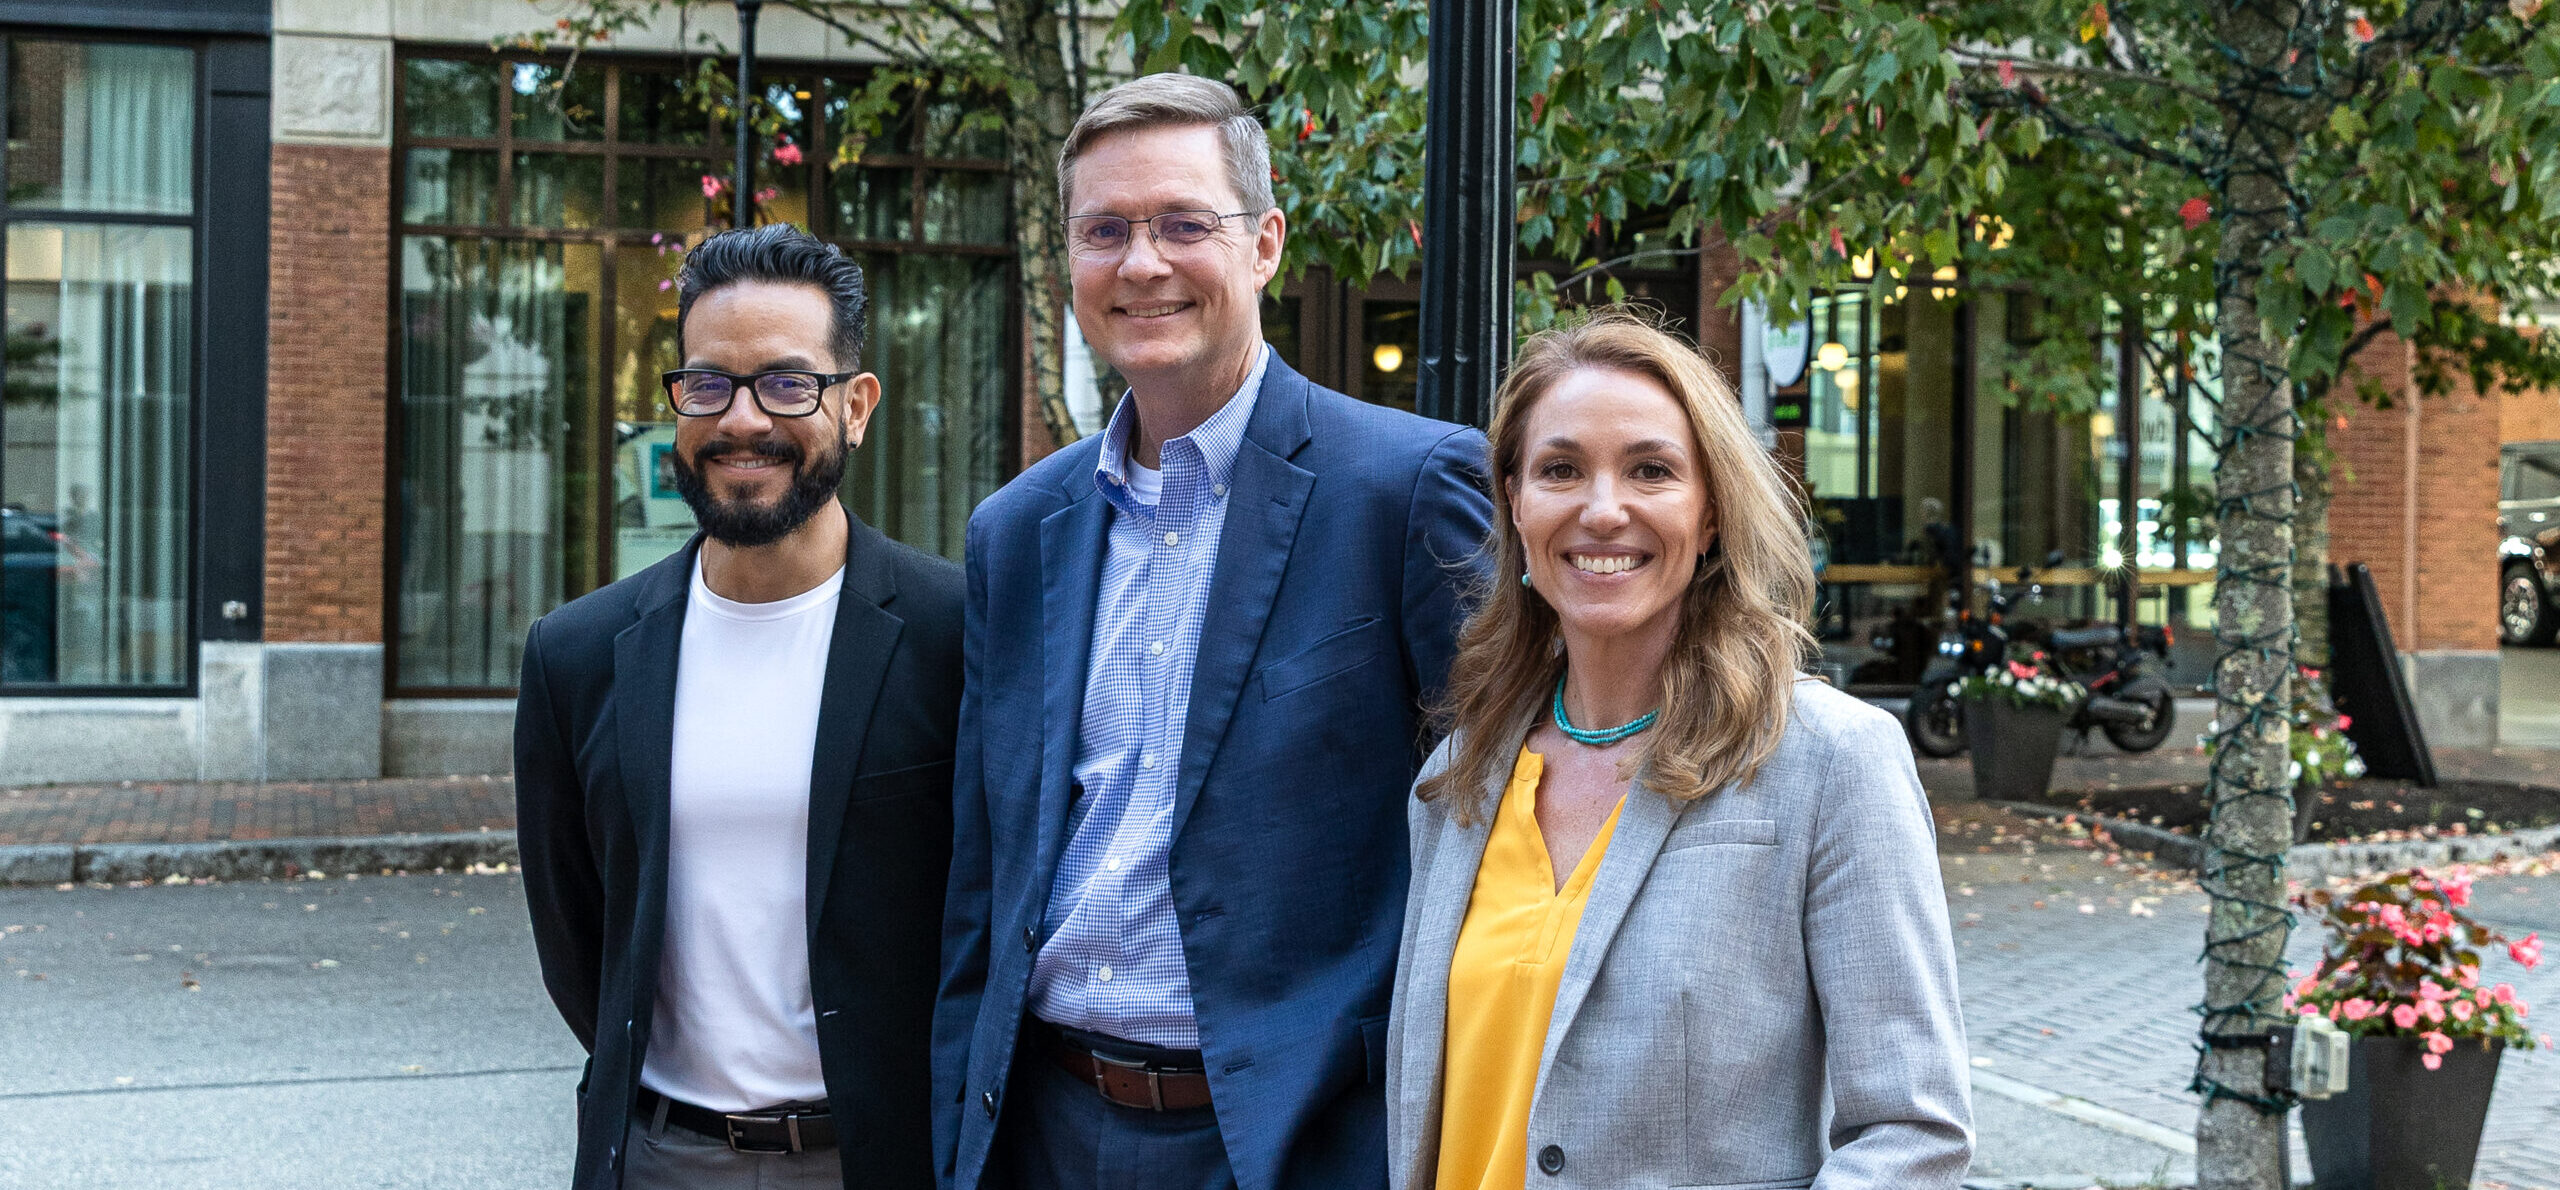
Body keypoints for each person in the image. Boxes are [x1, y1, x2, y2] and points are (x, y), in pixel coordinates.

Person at [933, 73, 1493, 1190]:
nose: (1142, 263)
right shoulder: (1016, 530)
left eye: (1184, 222)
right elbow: (983, 879)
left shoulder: (1409, 488)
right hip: (1041, 1123)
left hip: (1294, 1138)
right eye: (1106, 231)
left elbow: (1499, 834)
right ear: (1072, 264)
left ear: (1265, 243)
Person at [1386, 310, 1973, 1189]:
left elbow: (1913, 1132)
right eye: (1560, 470)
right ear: (1515, 504)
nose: (1603, 508)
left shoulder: (1832, 763)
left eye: (1652, 470)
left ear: (1710, 516)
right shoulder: (1456, 780)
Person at [515, 223, 963, 1190]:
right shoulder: (579, 656)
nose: (743, 420)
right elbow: (576, 931)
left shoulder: (954, 635)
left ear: (856, 406)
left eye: (787, 384)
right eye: (709, 383)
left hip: (885, 1156)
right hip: (660, 1158)